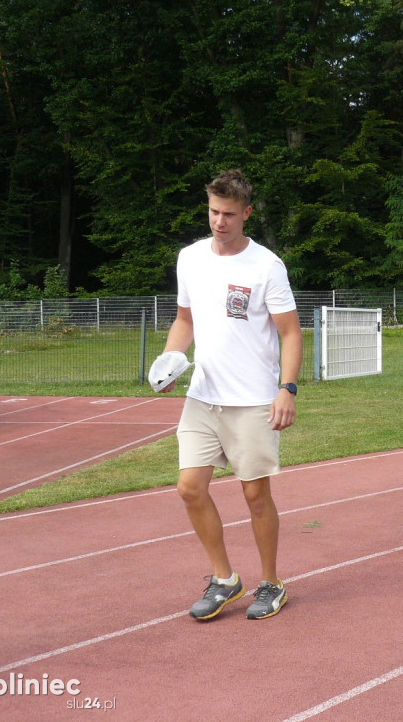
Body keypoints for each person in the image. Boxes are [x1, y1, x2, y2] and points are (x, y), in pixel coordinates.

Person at [156, 169, 302, 620]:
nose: (220, 222)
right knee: (189, 488)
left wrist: (287, 389)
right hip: (204, 396)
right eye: (214, 212)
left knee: (255, 496)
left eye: (229, 215)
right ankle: (224, 580)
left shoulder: (266, 265)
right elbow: (185, 320)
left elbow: (291, 333)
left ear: (246, 214)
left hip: (255, 399)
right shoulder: (190, 258)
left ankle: (271, 583)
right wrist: (170, 360)